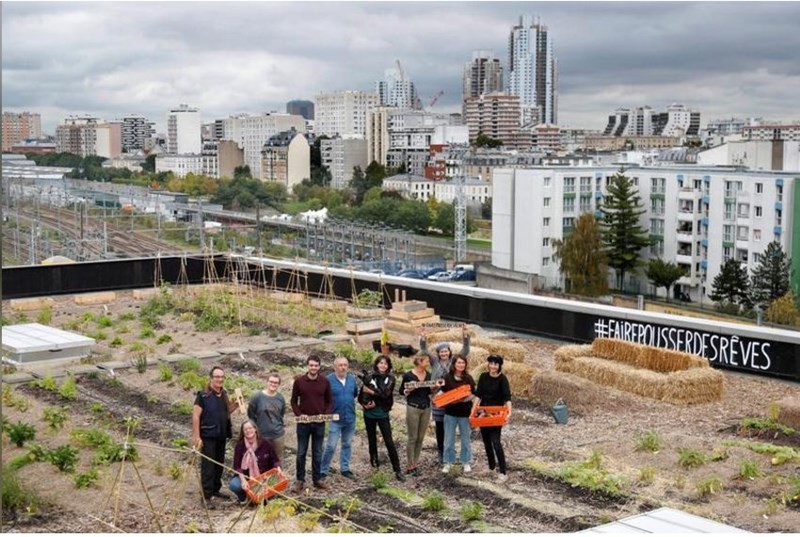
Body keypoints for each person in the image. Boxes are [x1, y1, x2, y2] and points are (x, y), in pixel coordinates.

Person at [420, 323, 470, 463]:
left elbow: (465, 350)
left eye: (446, 351)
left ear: (449, 351)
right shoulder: (434, 362)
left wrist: (465, 334)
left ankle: (451, 452)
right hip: (437, 398)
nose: (444, 353)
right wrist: (423, 337)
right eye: (441, 352)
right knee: (440, 427)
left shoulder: (454, 363)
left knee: (451, 426)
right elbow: (424, 349)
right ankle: (441, 452)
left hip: (452, 399)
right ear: (438, 353)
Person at [192, 366, 236, 508]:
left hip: (221, 435)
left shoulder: (223, 394)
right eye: (217, 377)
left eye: (222, 377)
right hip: (208, 436)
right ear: (211, 378)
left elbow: (226, 411)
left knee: (219, 464)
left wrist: (237, 404)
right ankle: (206, 497)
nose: (220, 379)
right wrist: (197, 436)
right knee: (208, 466)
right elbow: (196, 416)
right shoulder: (203, 396)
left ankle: (215, 489)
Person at [290, 355, 333, 493]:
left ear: (319, 366)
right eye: (311, 365)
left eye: (316, 365)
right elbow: (293, 401)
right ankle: (300, 480)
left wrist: (325, 414)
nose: (313, 367)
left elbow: (329, 401)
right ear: (307, 366)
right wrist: (299, 414)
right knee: (301, 452)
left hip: (319, 423)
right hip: (304, 423)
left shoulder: (324, 382)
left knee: (317, 452)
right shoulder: (299, 382)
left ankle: (317, 479)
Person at [360, 355, 406, 482]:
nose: (383, 366)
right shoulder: (370, 377)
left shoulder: (390, 378)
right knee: (371, 439)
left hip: (382, 413)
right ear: (377, 364)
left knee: (389, 441)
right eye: (380, 363)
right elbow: (362, 392)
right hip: (369, 414)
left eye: (385, 364)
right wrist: (364, 403)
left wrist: (373, 394)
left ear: (388, 366)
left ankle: (397, 469)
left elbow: (386, 395)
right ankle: (374, 464)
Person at [472, 354, 512, 482]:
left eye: (496, 364)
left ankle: (503, 472)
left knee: (496, 442)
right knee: (486, 441)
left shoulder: (502, 379)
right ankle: (491, 467)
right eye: (491, 363)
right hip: (484, 412)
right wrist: (474, 409)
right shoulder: (483, 376)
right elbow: (479, 395)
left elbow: (507, 397)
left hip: (496, 413)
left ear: (499, 365)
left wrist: (509, 411)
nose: (493, 366)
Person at [320, 356, 359, 480]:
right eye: (340, 365)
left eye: (345, 365)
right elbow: (323, 398)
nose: (343, 367)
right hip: (335, 419)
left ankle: (345, 469)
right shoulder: (328, 381)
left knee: (347, 444)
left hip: (350, 418)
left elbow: (354, 394)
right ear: (335, 367)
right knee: (331, 446)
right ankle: (323, 470)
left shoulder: (352, 379)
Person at [229, 420, 281, 504]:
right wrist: (243, 481)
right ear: (243, 432)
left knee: (277, 481)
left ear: (255, 429)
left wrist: (278, 468)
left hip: (264, 477)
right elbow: (237, 467)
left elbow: (275, 460)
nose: (248, 431)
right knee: (234, 485)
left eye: (250, 428)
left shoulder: (266, 443)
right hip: (247, 477)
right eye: (245, 429)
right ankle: (244, 498)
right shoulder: (240, 446)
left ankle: (265, 498)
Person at [398, 353, 433, 476]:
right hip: (413, 407)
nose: (428, 363)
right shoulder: (408, 375)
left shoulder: (428, 375)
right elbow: (402, 391)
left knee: (420, 438)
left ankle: (415, 463)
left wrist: (434, 388)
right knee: (412, 437)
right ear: (419, 362)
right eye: (426, 361)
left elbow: (429, 390)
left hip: (426, 408)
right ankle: (409, 464)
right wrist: (408, 390)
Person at [440, 355, 476, 474]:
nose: (461, 365)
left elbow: (473, 395)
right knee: (449, 439)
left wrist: (460, 400)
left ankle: (465, 462)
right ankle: (448, 462)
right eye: (459, 363)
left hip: (465, 413)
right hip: (450, 413)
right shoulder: (447, 377)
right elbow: (442, 392)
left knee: (465, 439)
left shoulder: (468, 378)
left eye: (463, 363)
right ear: (454, 364)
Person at [247, 372, 286, 463]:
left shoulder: (280, 398)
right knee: (262, 459)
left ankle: (277, 477)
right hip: (262, 435)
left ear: (279, 384)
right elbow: (251, 415)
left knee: (278, 459)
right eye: (271, 381)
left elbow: (281, 414)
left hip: (278, 435)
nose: (273, 384)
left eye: (276, 383)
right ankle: (263, 477)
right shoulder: (257, 397)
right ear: (267, 382)